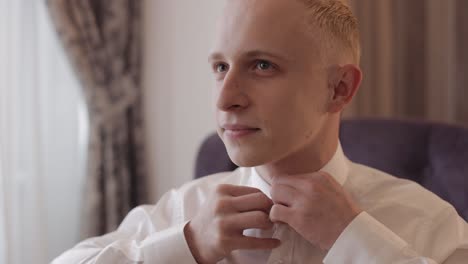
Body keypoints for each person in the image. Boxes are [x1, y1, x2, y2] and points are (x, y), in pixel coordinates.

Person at [52, 0, 468, 263]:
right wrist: (186, 247)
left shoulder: (427, 225)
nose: (224, 100)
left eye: (262, 65)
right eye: (220, 68)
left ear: (338, 88)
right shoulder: (185, 213)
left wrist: (356, 243)